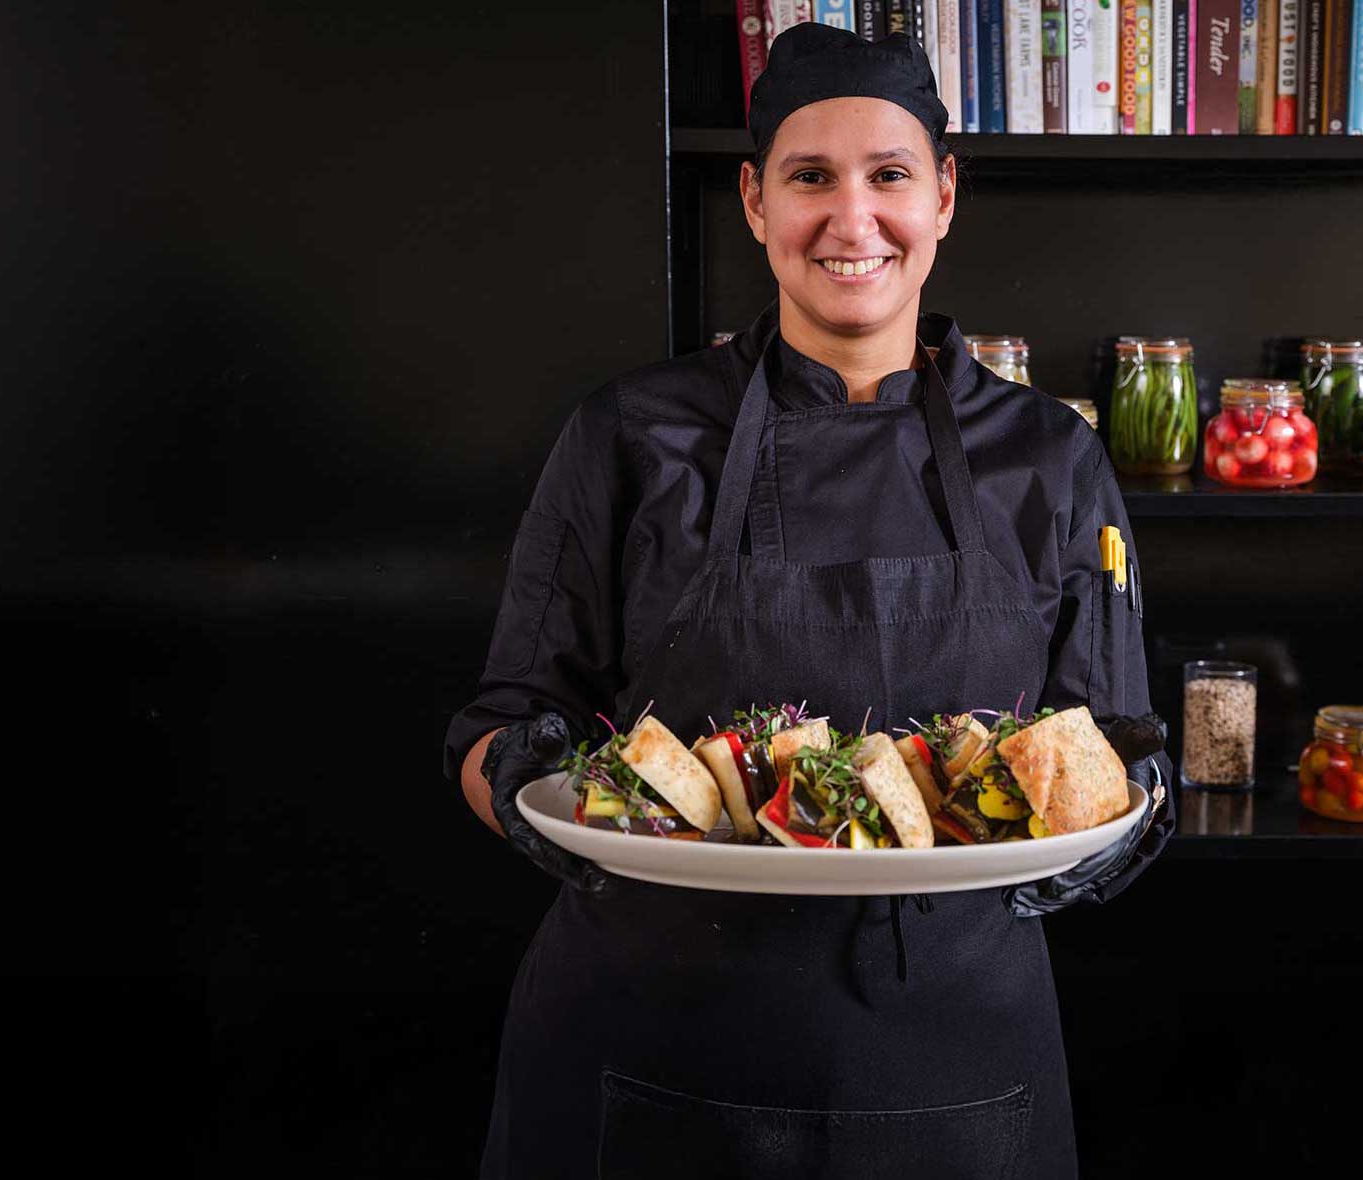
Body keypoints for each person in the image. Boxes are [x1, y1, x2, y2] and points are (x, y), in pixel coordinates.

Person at [444, 23, 1173, 1179]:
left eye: (889, 175)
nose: (852, 219)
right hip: (653, 1025)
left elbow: (1118, 740)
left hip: (956, 1052)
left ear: (943, 195)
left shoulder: (1051, 458)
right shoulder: (629, 436)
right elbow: (494, 725)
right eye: (809, 177)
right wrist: (543, 801)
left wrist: (1132, 806)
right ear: (752, 201)